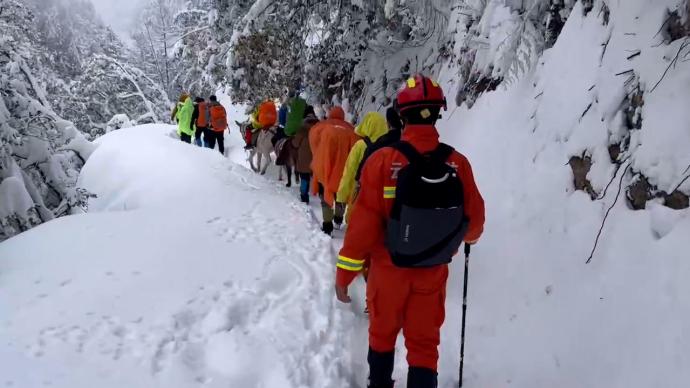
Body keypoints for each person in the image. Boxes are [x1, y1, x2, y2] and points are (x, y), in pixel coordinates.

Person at [334, 75, 486, 388]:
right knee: (424, 343)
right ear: (438, 112)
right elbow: (475, 226)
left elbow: (361, 230)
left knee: (382, 334)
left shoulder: (381, 161)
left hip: (388, 271)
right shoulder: (458, 163)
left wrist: (344, 275)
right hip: (432, 274)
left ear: (401, 116)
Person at [309, 106, 359, 235]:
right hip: (343, 171)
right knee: (340, 195)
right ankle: (338, 218)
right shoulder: (351, 130)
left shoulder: (320, 127)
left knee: (325, 194)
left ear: (330, 114)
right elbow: (357, 148)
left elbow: (313, 140)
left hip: (324, 168)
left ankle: (327, 225)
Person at [336, 111, 389, 223]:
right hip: (381, 201)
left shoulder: (360, 146)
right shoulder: (390, 147)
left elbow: (349, 174)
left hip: (360, 196)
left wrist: (341, 197)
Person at [292, 106, 319, 203]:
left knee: (304, 176)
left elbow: (295, 143)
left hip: (304, 156)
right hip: (318, 156)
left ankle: (304, 196)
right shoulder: (320, 125)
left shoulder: (302, 127)